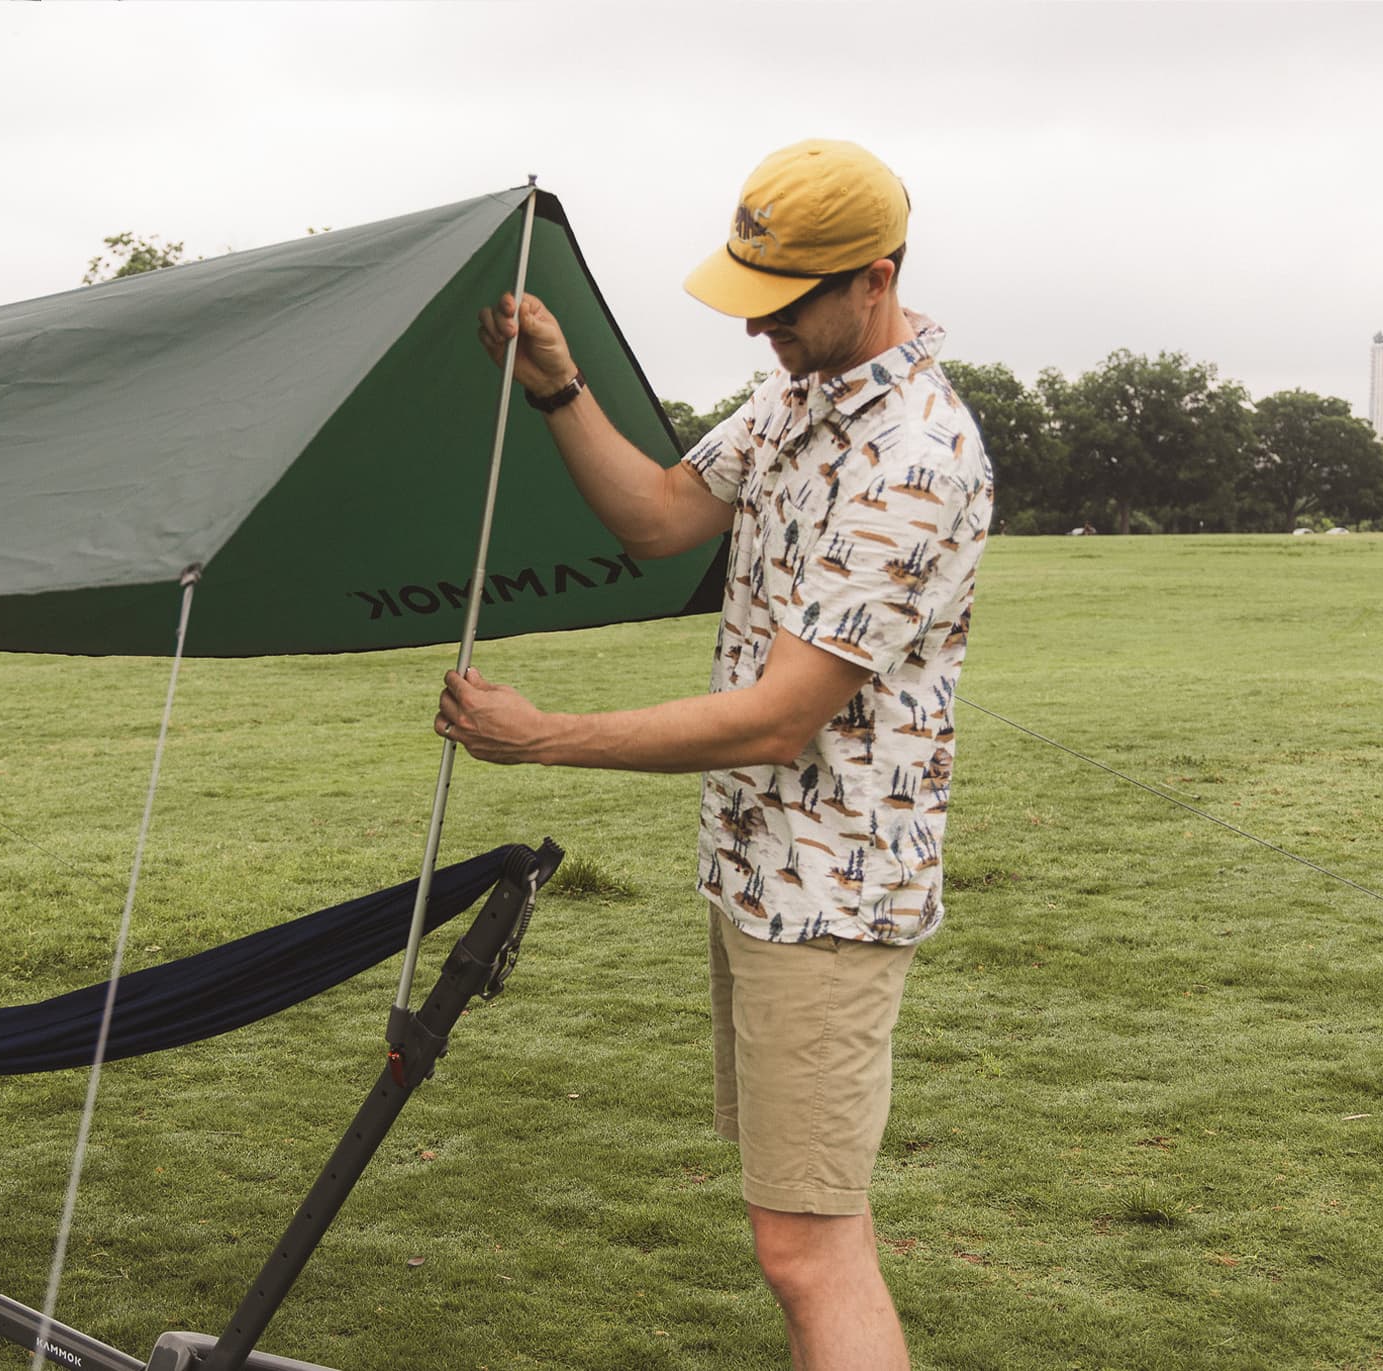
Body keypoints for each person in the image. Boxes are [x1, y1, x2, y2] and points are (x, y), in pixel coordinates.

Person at [442, 139, 992, 1370]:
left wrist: (542, 741)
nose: (761, 332)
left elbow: (779, 715)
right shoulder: (799, 401)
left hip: (832, 895)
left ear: (876, 279)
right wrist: (557, 385)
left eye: (784, 304)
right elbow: (657, 521)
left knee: (812, 1247)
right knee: (797, 1232)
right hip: (760, 871)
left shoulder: (912, 456)